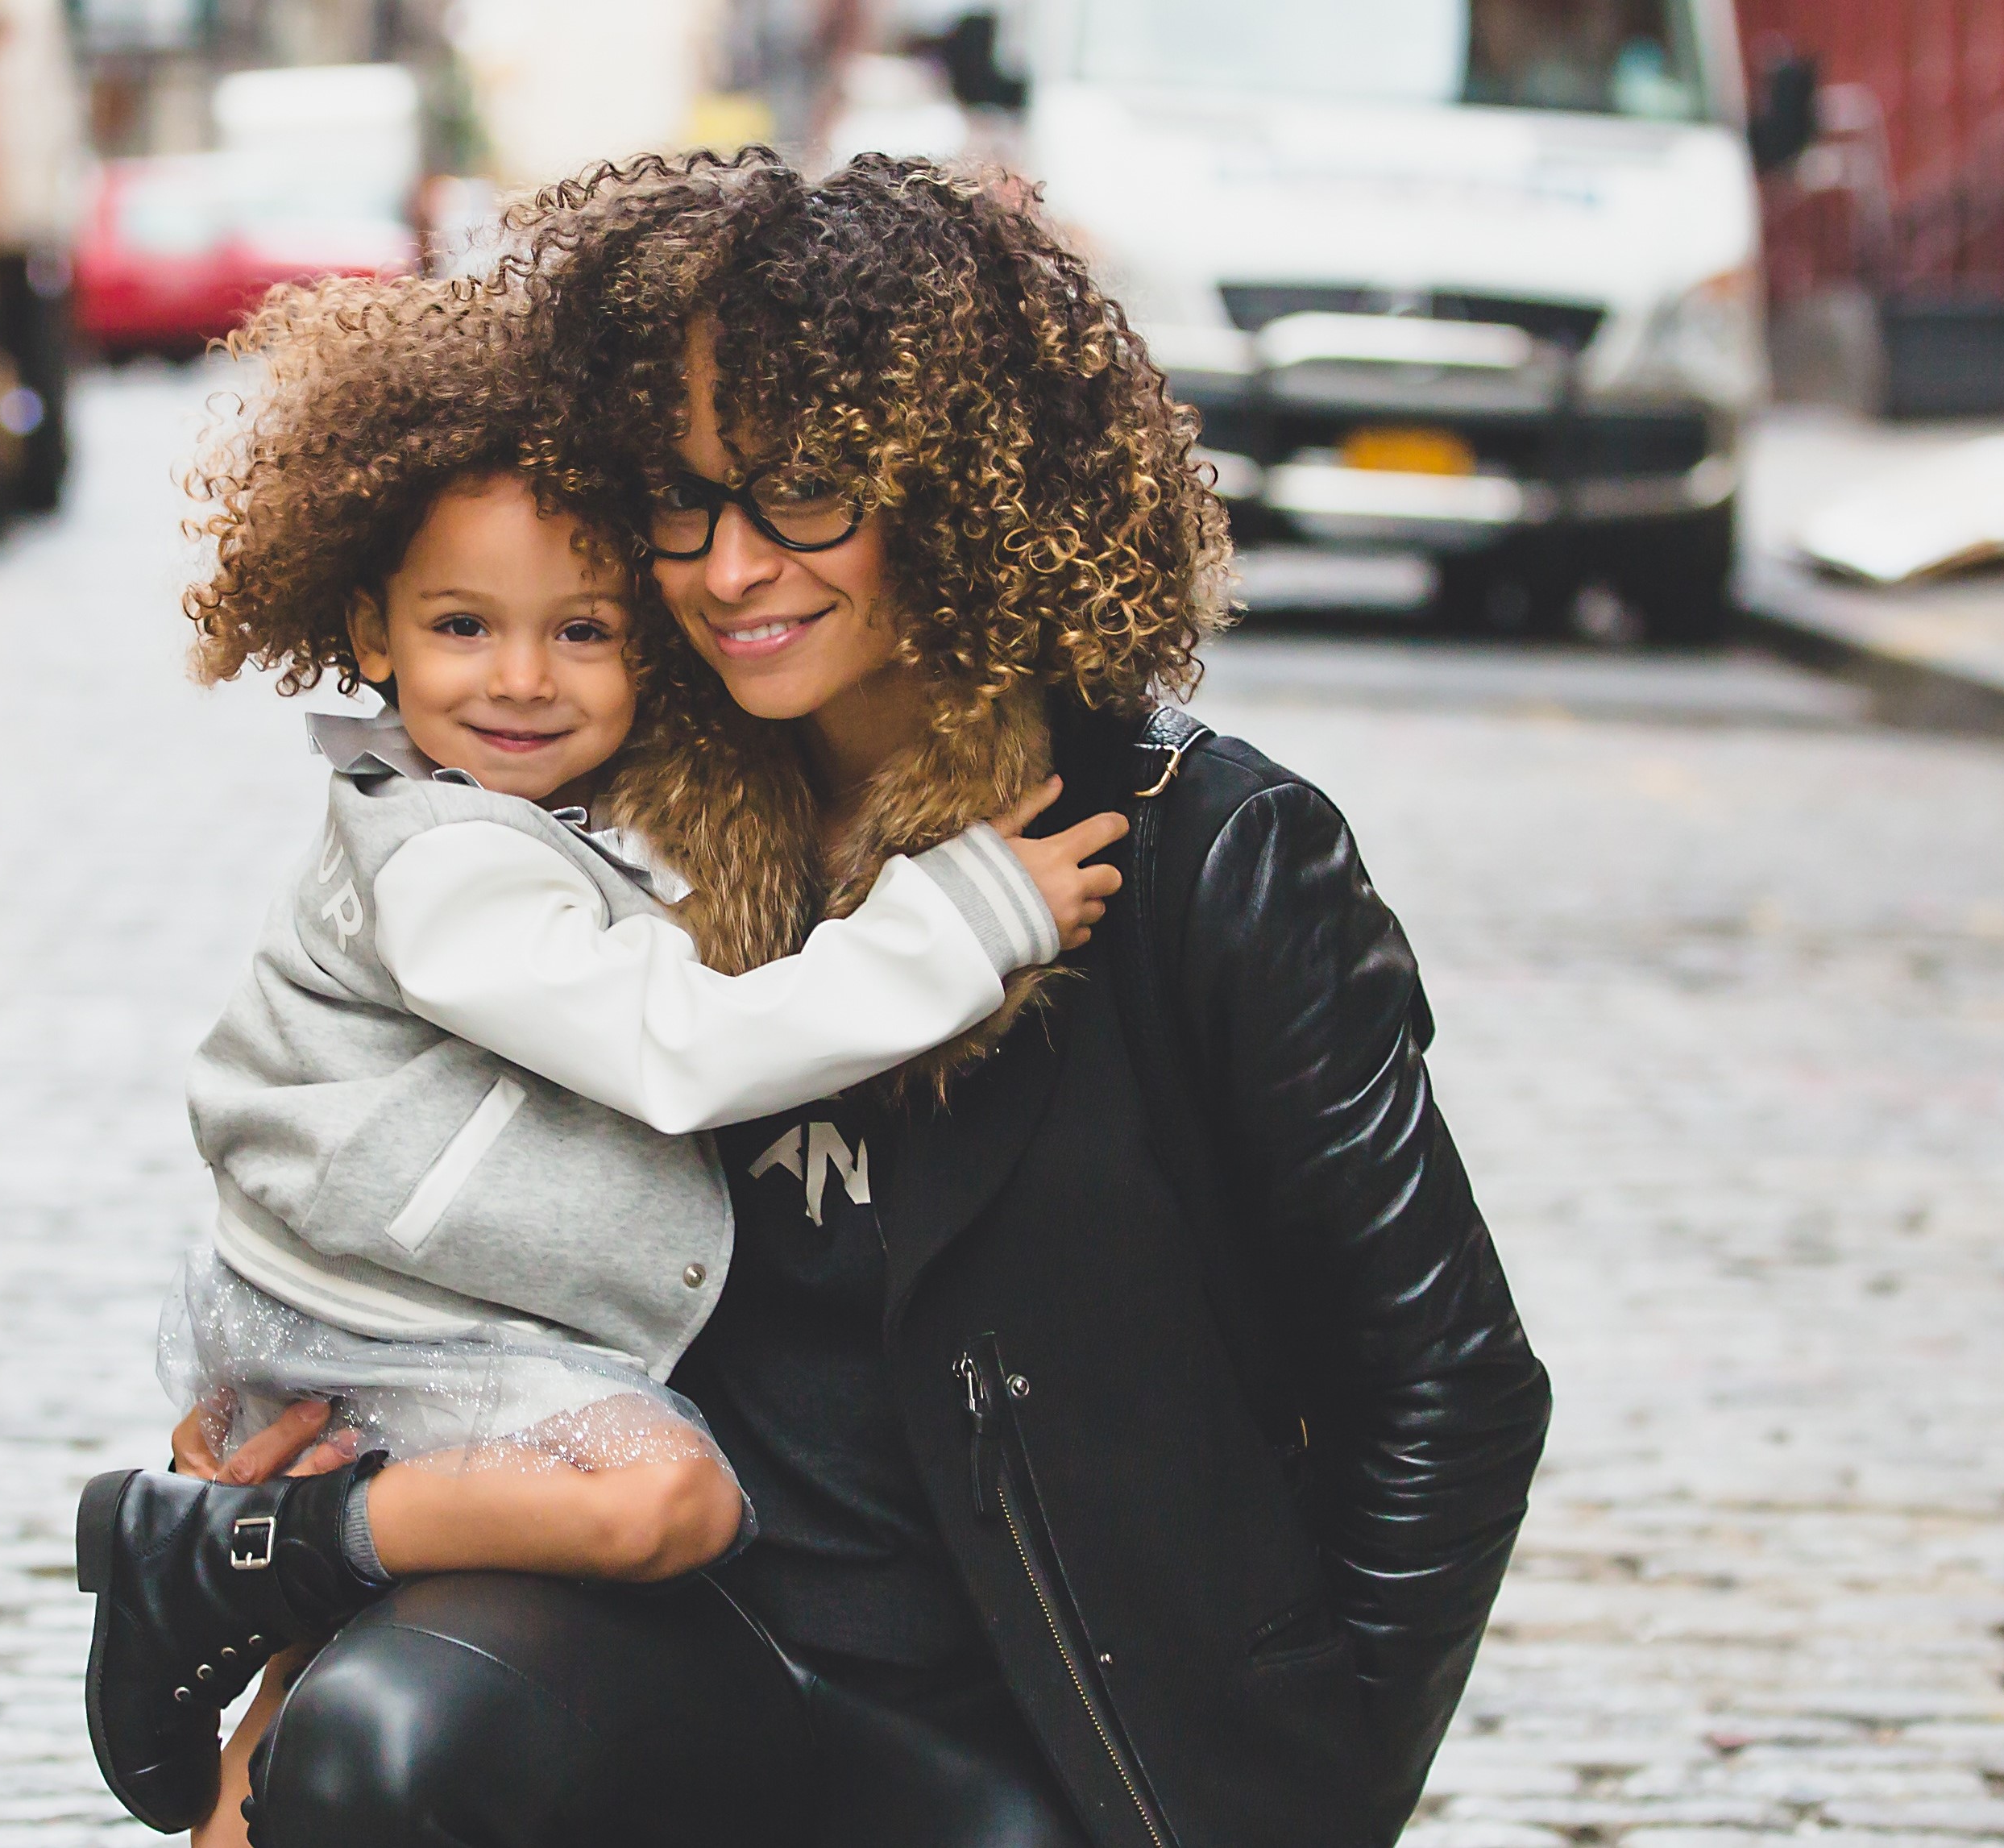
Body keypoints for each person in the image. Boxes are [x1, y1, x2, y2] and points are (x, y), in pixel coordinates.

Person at [195, 153, 1556, 1848]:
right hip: (681, 1646)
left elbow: (1449, 1382)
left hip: (1041, 1719)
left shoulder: (1205, 855)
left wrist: (1297, 1792)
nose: (730, 567)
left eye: (806, 495)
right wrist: (299, 1596)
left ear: (958, 483)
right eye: (681, 504)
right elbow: (411, 1235)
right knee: (385, 1751)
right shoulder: (602, 829)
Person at [84, 275, 1133, 1845]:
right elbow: (677, 1047)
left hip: (412, 1314)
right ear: (366, 624)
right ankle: (231, 1551)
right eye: (463, 626)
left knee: (319, 1693)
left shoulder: (555, 816)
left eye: (582, 630)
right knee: (666, 1503)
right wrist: (965, 912)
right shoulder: (442, 858)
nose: (521, 678)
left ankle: (261, 1585)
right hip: (398, 1327)